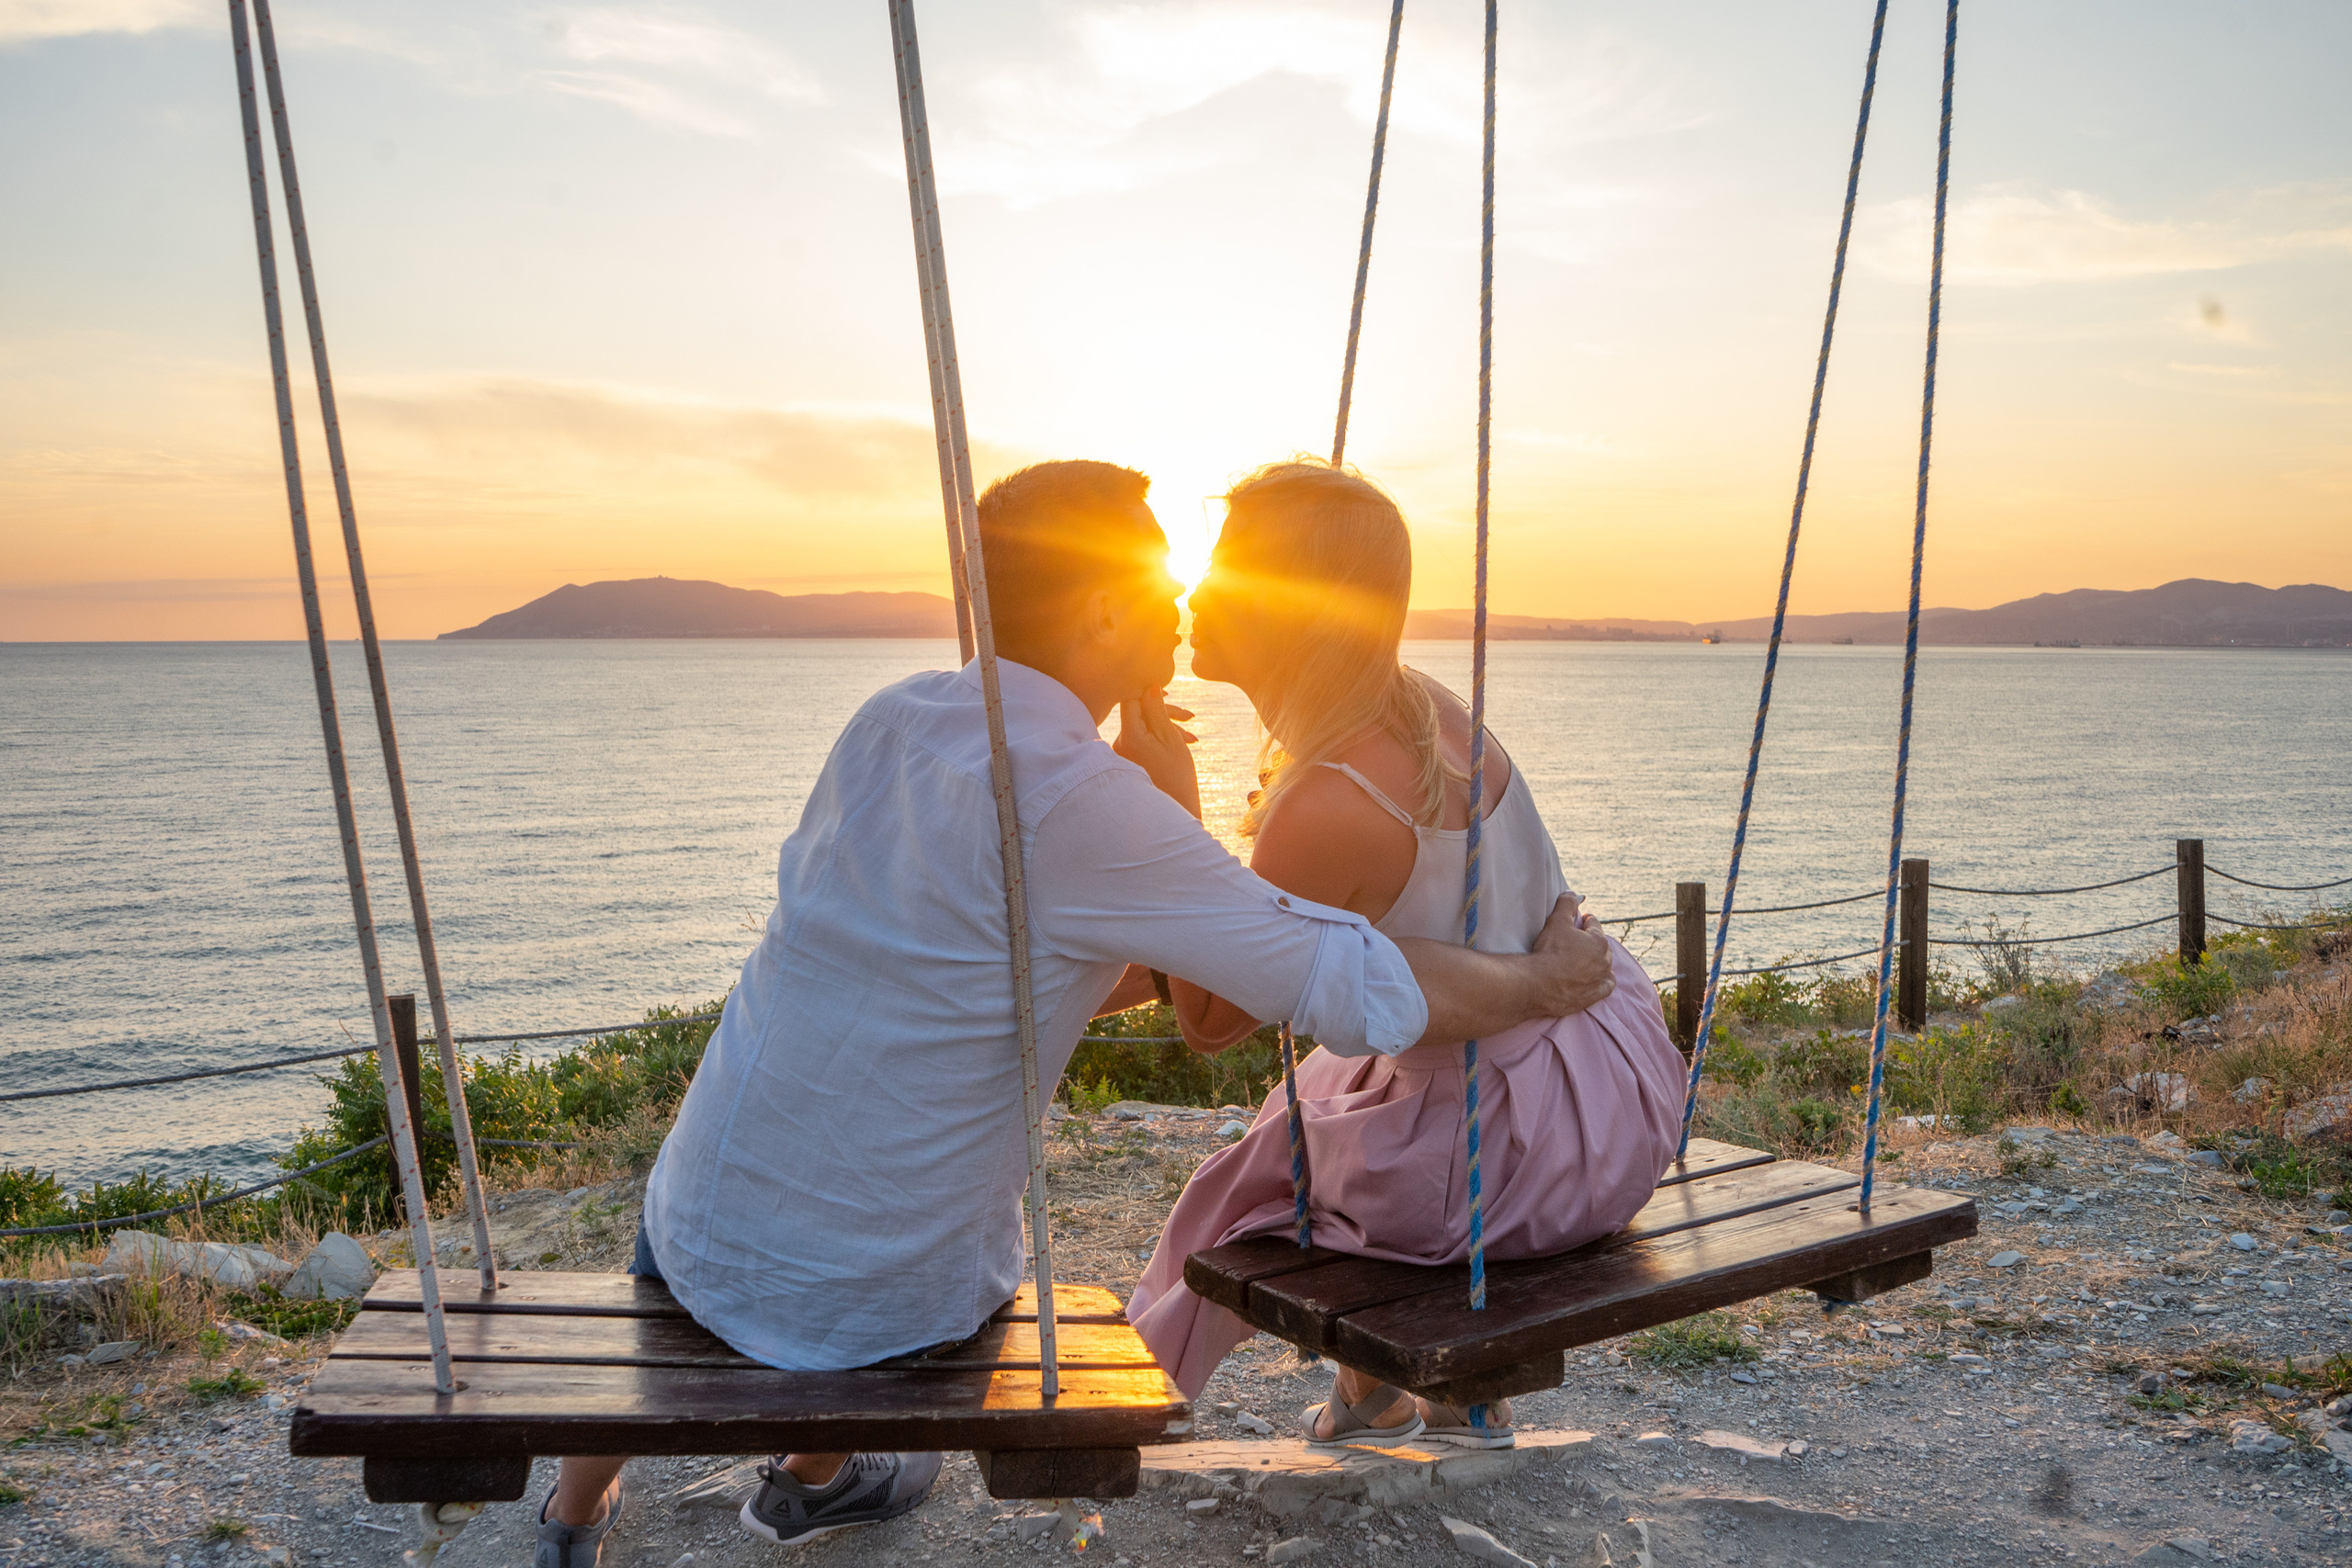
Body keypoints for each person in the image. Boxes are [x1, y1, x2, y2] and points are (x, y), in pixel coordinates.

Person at [535, 459, 1619, 1565]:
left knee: (747, 1169)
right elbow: (1348, 980)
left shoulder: (891, 718)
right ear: (1103, 606)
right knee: (896, 1268)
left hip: (692, 1225)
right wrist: (1549, 984)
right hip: (890, 1307)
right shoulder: (1089, 801)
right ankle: (815, 1480)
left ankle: (573, 1520)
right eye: (1158, 574)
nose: (1180, 594)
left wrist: (1150, 875)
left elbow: (967, 955)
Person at [1125, 460, 1687, 1450]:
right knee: (1315, 1102)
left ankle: (1129, 1407)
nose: (1190, 588)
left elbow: (1209, 1023)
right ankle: (1381, 1390)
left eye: (1222, 570)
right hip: (1611, 1088)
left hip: (1506, 1156)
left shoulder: (1325, 799)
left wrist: (1168, 798)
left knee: (1238, 1188)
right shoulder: (1424, 710)